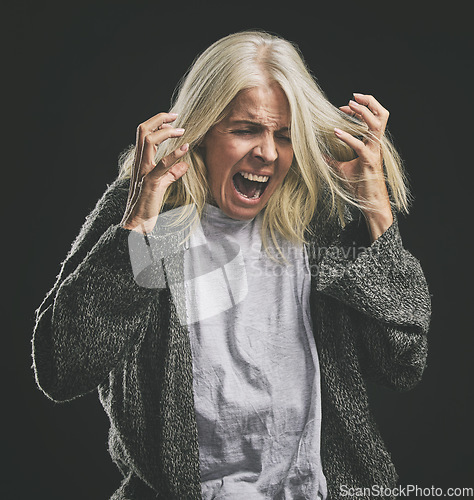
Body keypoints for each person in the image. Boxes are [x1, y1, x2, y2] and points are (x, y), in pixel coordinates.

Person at [32, 30, 431, 499]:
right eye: (246, 129)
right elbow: (63, 369)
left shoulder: (313, 221)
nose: (266, 152)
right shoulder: (154, 215)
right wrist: (139, 226)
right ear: (201, 132)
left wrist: (376, 206)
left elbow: (403, 364)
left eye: (284, 135)